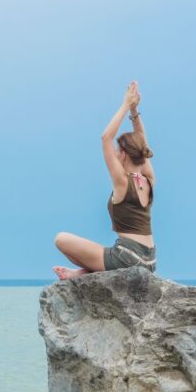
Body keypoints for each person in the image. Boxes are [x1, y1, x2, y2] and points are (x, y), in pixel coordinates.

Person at [53, 81, 156, 279]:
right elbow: (141, 140)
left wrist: (126, 104)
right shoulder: (148, 180)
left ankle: (84, 275)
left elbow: (106, 138)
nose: (115, 154)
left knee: (61, 239)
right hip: (150, 261)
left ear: (124, 155)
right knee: (103, 249)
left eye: (118, 151)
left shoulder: (122, 182)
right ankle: (82, 273)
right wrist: (135, 111)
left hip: (127, 258)